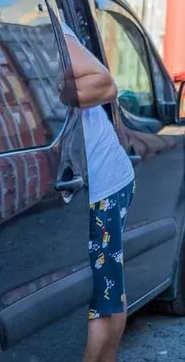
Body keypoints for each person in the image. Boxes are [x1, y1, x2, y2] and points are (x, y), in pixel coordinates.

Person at [59, 21, 136, 362]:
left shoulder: (36, 14)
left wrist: (47, 95)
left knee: (101, 303)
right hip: (86, 178)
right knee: (107, 290)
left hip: (102, 183)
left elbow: (104, 83)